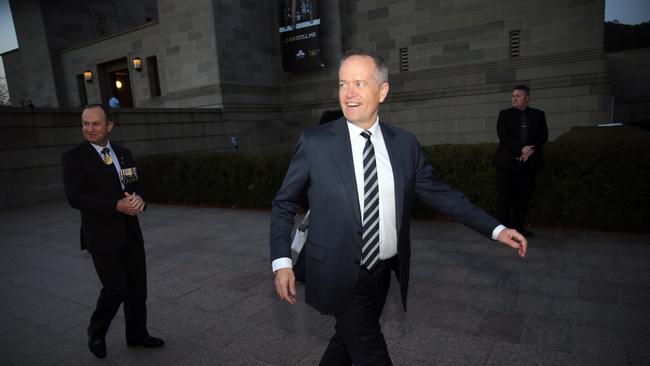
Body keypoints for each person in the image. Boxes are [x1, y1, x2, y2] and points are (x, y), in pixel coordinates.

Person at [270, 49, 527, 365]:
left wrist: (496, 229)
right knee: (370, 350)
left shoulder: (403, 144)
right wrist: (282, 261)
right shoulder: (316, 142)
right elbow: (284, 203)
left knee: (346, 342)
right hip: (337, 270)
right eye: (342, 84)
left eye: (360, 84)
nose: (348, 94)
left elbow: (442, 194)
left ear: (383, 91)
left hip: (381, 272)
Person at [62, 104, 164, 359]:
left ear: (109, 125)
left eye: (95, 123)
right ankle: (96, 333)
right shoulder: (75, 157)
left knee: (137, 287)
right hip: (101, 235)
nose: (89, 128)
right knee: (116, 287)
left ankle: (137, 334)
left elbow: (138, 183)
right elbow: (75, 197)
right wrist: (114, 205)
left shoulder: (124, 153)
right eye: (85, 123)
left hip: (130, 231)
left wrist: (140, 198)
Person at [493, 85, 548, 237]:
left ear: (527, 98)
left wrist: (532, 149)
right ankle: (504, 231)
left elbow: (543, 136)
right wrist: (521, 149)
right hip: (507, 164)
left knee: (523, 198)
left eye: (518, 96)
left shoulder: (538, 115)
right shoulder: (505, 114)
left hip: (529, 164)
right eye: (513, 96)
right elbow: (503, 136)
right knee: (504, 198)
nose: (514, 99)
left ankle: (519, 228)